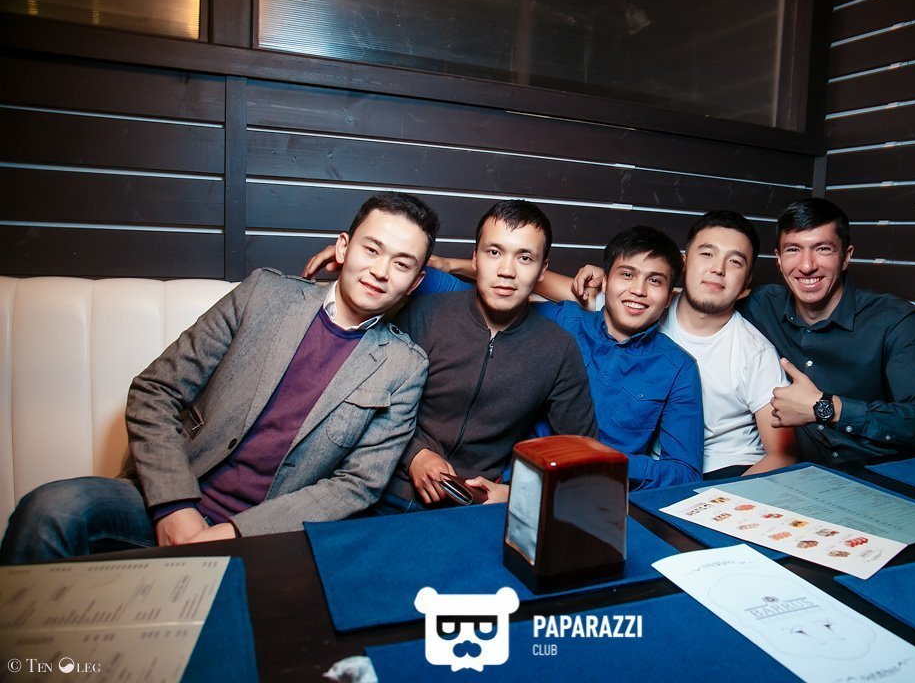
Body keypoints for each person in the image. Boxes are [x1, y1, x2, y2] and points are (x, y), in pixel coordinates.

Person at [0, 192, 438, 564]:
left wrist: (233, 534)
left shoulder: (403, 366)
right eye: (371, 250)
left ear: (416, 282)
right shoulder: (264, 295)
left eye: (401, 264)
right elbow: (155, 390)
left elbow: (358, 485)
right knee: (52, 508)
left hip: (268, 537)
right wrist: (174, 504)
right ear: (342, 248)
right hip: (169, 497)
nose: (381, 271)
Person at [423, 226, 705, 488]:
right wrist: (433, 263)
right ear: (606, 281)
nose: (639, 290)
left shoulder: (678, 368)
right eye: (627, 275)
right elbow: (470, 296)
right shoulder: (564, 321)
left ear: (668, 298)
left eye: (655, 281)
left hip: (599, 494)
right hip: (510, 483)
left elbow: (685, 471)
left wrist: (606, 462)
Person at [380, 200, 597, 509]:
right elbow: (371, 404)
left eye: (524, 258)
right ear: (475, 258)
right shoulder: (425, 314)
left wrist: (517, 494)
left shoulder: (559, 349)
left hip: (475, 508)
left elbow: (584, 458)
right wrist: (415, 454)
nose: (506, 271)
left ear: (542, 269)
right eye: (494, 252)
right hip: (386, 491)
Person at [568, 212, 797, 478]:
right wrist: (602, 274)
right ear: (684, 263)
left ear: (746, 283)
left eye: (735, 261)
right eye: (707, 253)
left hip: (729, 470)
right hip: (656, 469)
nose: (718, 268)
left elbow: (783, 454)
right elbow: (561, 290)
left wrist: (720, 498)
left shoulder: (755, 352)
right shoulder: (645, 304)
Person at [739, 197, 915, 464]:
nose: (807, 266)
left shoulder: (893, 320)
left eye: (823, 249)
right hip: (798, 473)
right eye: (793, 250)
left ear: (846, 257)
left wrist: (827, 408)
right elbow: (708, 302)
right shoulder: (761, 305)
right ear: (779, 259)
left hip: (876, 471)